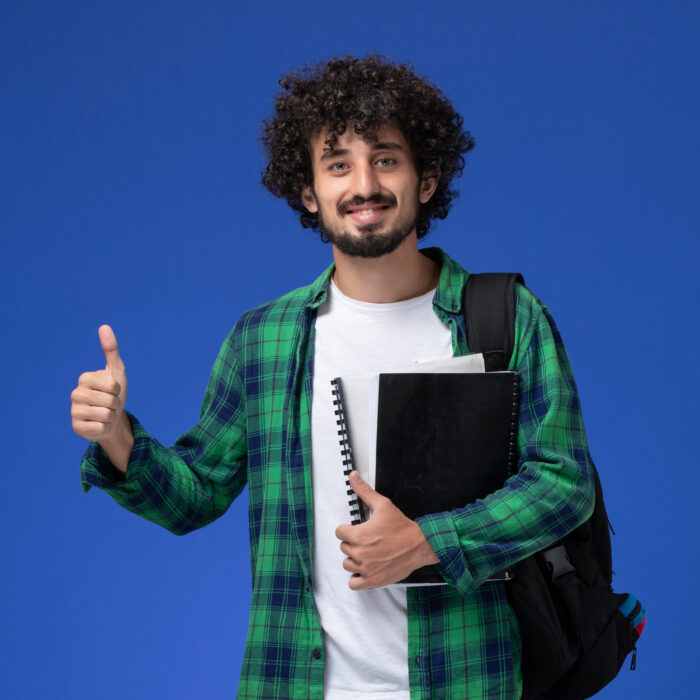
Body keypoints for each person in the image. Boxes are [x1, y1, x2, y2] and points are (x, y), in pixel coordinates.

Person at [71, 55, 594, 699]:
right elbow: (195, 495)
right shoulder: (263, 339)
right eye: (338, 163)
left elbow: (564, 483)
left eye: (386, 158)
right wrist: (118, 434)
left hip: (464, 679)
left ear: (427, 178)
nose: (363, 183)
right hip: (293, 683)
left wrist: (432, 540)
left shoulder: (506, 318)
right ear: (309, 190)